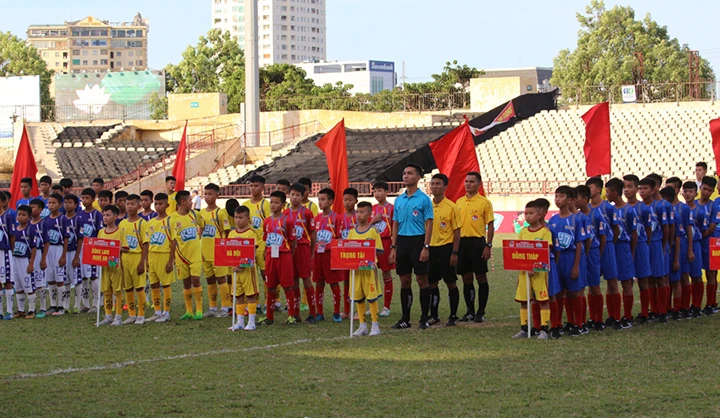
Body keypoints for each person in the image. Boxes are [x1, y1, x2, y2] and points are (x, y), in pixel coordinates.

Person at [388, 164, 434, 329]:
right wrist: (393, 247)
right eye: (404, 173)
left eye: (409, 173)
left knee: (422, 280)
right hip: (402, 242)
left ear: (418, 177)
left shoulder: (424, 199)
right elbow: (395, 223)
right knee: (404, 280)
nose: (405, 176)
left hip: (418, 241)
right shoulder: (399, 200)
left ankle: (424, 318)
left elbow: (429, 224)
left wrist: (426, 246)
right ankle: (405, 319)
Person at [548, 186, 587, 336]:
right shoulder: (552, 220)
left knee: (574, 292)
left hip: (571, 257)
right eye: (556, 196)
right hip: (557, 259)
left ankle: (578, 323)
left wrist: (576, 266)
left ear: (570, 200)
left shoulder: (576, 219)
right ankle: (557, 324)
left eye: (561, 196)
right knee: (558, 292)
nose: (557, 199)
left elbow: (579, 244)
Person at [456, 172, 494, 323]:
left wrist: (488, 245)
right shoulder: (458, 202)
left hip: (477, 242)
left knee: (481, 276)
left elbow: (490, 225)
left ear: (479, 184)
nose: (468, 184)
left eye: (471, 182)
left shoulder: (484, 202)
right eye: (466, 181)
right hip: (462, 243)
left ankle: (481, 311)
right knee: (466, 278)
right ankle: (470, 311)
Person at [512, 201, 552, 340]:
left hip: (539, 273)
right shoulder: (523, 231)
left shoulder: (545, 232)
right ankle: (524, 328)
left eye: (531, 213)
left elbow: (546, 252)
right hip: (524, 272)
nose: (528, 216)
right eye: (526, 213)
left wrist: (535, 267)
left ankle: (544, 329)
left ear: (539, 214)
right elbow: (519, 252)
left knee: (542, 300)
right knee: (524, 300)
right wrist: (525, 266)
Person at [427, 174, 462, 326]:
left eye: (438, 184)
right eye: (432, 183)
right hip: (430, 249)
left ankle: (453, 315)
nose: (434, 186)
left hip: (446, 249)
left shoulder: (452, 207)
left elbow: (457, 231)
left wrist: (454, 252)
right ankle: (434, 315)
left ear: (445, 187)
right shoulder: (426, 205)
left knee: (451, 283)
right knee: (432, 283)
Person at [260, 191, 298, 325]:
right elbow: (266, 240)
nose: (273, 205)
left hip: (284, 256)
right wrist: (266, 253)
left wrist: (288, 255)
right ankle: (269, 316)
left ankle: (291, 316)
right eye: (271, 202)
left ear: (282, 204)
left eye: (276, 203)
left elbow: (293, 242)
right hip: (271, 257)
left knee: (288, 287)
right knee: (270, 286)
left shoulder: (288, 220)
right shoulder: (267, 222)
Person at [586, 177, 619, 327]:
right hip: (592, 249)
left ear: (599, 189)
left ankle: (615, 316)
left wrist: (611, 242)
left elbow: (616, 228)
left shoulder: (608, 207)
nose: (589, 190)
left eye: (591, 187)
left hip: (608, 248)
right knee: (593, 284)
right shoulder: (585, 209)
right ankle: (594, 318)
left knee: (612, 281)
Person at [347, 201, 384, 337]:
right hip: (355, 271)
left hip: (368, 270)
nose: (359, 215)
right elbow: (347, 250)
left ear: (369, 214)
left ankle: (375, 325)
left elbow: (379, 250)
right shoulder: (352, 232)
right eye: (357, 212)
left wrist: (367, 251)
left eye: (362, 212)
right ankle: (362, 325)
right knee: (358, 297)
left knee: (372, 297)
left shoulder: (373, 231)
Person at [605, 178, 637, 329]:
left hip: (623, 246)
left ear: (615, 193)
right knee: (611, 282)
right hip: (611, 248)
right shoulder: (608, 209)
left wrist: (631, 252)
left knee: (626, 282)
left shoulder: (629, 210)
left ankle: (628, 316)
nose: (606, 194)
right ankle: (613, 315)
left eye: (608, 191)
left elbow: (634, 233)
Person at [576, 185, 608, 331]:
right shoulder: (576, 216)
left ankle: (598, 319)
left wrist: (598, 253)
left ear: (585, 199)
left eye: (576, 198)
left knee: (594, 286)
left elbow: (603, 237)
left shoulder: (596, 215)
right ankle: (583, 320)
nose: (574, 201)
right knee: (581, 286)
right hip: (580, 253)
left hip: (593, 252)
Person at [169, 191, 204, 320]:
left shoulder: (195, 214)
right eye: (190, 200)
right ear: (183, 202)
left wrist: (199, 236)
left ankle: (199, 309)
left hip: (195, 254)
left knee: (196, 279)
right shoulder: (173, 218)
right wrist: (171, 258)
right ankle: (189, 310)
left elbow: (202, 225)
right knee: (186, 282)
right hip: (181, 255)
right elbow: (173, 239)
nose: (192, 202)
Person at [284, 183, 317, 323]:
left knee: (307, 280)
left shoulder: (307, 212)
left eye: (298, 195)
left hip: (303, 248)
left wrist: (312, 250)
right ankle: (295, 313)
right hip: (289, 250)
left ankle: (313, 313)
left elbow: (313, 232)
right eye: (293, 194)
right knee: (293, 281)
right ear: (289, 195)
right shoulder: (285, 213)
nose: (295, 197)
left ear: (303, 196)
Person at [639, 177, 669, 323]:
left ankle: (663, 311)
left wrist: (663, 245)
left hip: (656, 244)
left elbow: (666, 228)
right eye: (640, 188)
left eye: (645, 188)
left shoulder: (659, 206)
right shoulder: (637, 207)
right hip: (643, 245)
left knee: (660, 277)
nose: (642, 191)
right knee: (648, 278)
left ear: (653, 189)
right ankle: (653, 310)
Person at [200, 183, 232, 318]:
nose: (207, 197)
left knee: (221, 279)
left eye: (210, 194)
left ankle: (226, 306)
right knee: (210, 280)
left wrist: (225, 249)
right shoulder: (201, 213)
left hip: (218, 251)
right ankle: (213, 307)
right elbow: (200, 232)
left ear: (217, 195)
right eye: (205, 194)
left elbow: (227, 232)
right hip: (205, 251)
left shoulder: (221, 212)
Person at [242, 175, 273, 312]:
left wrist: (268, 247)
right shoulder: (245, 205)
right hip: (249, 245)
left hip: (262, 244)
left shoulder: (266, 205)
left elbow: (271, 226)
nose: (253, 188)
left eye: (256, 186)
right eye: (251, 185)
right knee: (250, 274)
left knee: (265, 274)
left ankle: (269, 302)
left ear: (262, 187)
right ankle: (256, 303)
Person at [312, 188, 343, 322]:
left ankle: (336, 312)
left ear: (330, 201)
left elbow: (340, 237)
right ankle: (320, 312)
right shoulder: (316, 218)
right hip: (317, 256)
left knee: (333, 283)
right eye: (319, 199)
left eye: (323, 199)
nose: (320, 202)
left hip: (330, 255)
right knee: (319, 283)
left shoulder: (337, 218)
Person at [227, 206, 260, 331]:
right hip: (235, 270)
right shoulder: (232, 233)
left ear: (248, 218)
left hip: (247, 270)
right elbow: (228, 251)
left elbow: (252, 251)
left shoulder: (251, 233)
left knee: (250, 295)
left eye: (241, 217)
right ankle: (240, 321)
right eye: (236, 217)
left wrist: (242, 264)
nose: (238, 220)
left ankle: (251, 321)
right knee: (238, 295)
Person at [624, 175, 652, 324]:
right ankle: (627, 315)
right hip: (625, 247)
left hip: (640, 246)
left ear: (636, 188)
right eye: (625, 187)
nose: (626, 190)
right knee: (627, 281)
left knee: (643, 280)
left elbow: (648, 230)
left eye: (630, 186)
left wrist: (643, 244)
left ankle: (644, 313)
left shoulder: (643, 208)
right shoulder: (622, 208)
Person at [118, 194, 150, 325]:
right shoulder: (122, 223)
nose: (129, 207)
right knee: (128, 288)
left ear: (139, 206)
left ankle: (141, 315)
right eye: (127, 204)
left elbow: (146, 244)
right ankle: (131, 314)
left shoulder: (142, 223)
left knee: (139, 288)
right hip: (125, 259)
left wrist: (143, 262)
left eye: (132, 204)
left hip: (137, 258)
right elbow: (119, 244)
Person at [667, 177, 694, 319]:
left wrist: (689, 249)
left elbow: (689, 229)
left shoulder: (683, 208)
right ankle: (669, 307)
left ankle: (684, 307)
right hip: (670, 245)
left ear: (677, 190)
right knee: (671, 277)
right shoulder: (665, 207)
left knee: (683, 276)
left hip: (681, 244)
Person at [146, 193, 175, 323]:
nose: (158, 207)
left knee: (166, 284)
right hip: (152, 255)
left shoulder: (170, 221)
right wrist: (146, 259)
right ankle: (157, 311)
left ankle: (166, 312)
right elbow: (148, 241)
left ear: (167, 205)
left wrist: (171, 260)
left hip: (164, 255)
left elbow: (174, 241)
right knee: (153, 284)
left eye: (160, 204)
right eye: (156, 204)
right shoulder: (151, 222)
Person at [40, 194, 69, 317]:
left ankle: (62, 306)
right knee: (50, 279)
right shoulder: (45, 220)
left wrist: (63, 255)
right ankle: (53, 305)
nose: (51, 205)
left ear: (60, 205)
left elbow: (66, 238)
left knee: (59, 279)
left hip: (58, 249)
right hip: (48, 250)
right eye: (49, 203)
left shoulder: (63, 219)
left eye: (54, 203)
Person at [97, 205, 125, 326]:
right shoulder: (101, 232)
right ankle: (108, 315)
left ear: (115, 216)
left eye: (108, 215)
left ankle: (118, 316)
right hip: (104, 266)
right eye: (104, 215)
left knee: (117, 291)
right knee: (106, 290)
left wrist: (116, 249)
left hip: (115, 265)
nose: (105, 218)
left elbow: (126, 248)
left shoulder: (120, 232)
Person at [371, 181, 395, 317]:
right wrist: (372, 220)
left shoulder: (392, 208)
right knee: (371, 274)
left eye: (380, 191)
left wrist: (393, 247)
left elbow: (395, 227)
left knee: (386, 273)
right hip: (372, 245)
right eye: (375, 191)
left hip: (385, 242)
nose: (377, 194)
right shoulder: (371, 209)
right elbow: (364, 227)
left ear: (386, 192)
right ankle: (372, 304)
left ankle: (386, 306)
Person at [660, 186, 684, 320]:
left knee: (675, 281)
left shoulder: (675, 214)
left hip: (673, 250)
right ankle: (667, 307)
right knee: (666, 279)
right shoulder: (665, 212)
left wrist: (676, 259)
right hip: (666, 250)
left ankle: (677, 309)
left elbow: (678, 237)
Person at [682, 181, 705, 318]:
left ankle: (697, 305)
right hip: (682, 244)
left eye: (691, 191)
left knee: (696, 276)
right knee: (684, 276)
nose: (688, 194)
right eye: (685, 191)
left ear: (696, 193)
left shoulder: (699, 211)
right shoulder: (680, 208)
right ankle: (685, 306)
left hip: (695, 244)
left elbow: (703, 229)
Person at [77, 188, 102, 313]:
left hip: (92, 247)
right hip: (81, 248)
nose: (84, 200)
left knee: (93, 275)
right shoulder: (79, 215)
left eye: (87, 198)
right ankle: (85, 303)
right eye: (83, 198)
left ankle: (96, 303)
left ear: (93, 199)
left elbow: (100, 232)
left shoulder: (97, 214)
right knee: (83, 276)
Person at [697, 176, 719, 315]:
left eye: (709, 190)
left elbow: (711, 228)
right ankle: (696, 304)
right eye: (704, 189)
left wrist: (697, 237)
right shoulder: (692, 204)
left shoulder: (714, 206)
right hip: (696, 243)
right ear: (700, 187)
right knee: (695, 274)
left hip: (710, 242)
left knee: (711, 273)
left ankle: (710, 304)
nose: (706, 192)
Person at [12, 205, 38, 318]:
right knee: (18, 286)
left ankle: (32, 310)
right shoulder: (14, 230)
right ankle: (20, 310)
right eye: (19, 214)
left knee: (28, 286)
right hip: (15, 260)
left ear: (29, 217)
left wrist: (31, 263)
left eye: (24, 215)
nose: (21, 217)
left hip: (25, 260)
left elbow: (34, 248)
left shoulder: (31, 230)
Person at [60, 194, 82, 315]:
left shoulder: (79, 219)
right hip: (63, 252)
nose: (67, 205)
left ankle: (77, 305)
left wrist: (77, 256)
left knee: (76, 279)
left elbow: (80, 238)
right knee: (66, 279)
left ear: (75, 205)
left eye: (70, 202)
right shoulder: (62, 219)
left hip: (74, 251)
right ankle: (66, 305)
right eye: (65, 202)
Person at [340, 187, 358, 319]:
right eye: (345, 200)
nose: (347, 202)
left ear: (356, 201)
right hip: (344, 254)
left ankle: (357, 310)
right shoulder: (339, 217)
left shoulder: (360, 216)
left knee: (357, 282)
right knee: (346, 282)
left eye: (350, 200)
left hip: (357, 253)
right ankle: (346, 310)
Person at [29, 199, 47, 318]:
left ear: (40, 210)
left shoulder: (43, 223)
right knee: (30, 281)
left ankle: (43, 307)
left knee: (39, 282)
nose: (30, 209)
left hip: (39, 253)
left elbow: (47, 242)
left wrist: (43, 258)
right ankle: (31, 308)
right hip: (28, 255)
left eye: (33, 207)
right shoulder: (27, 224)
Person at [0, 193, 16, 319]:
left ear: (3, 202)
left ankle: (9, 311)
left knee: (8, 281)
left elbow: (12, 236)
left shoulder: (8, 217)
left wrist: (11, 250)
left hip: (5, 252)